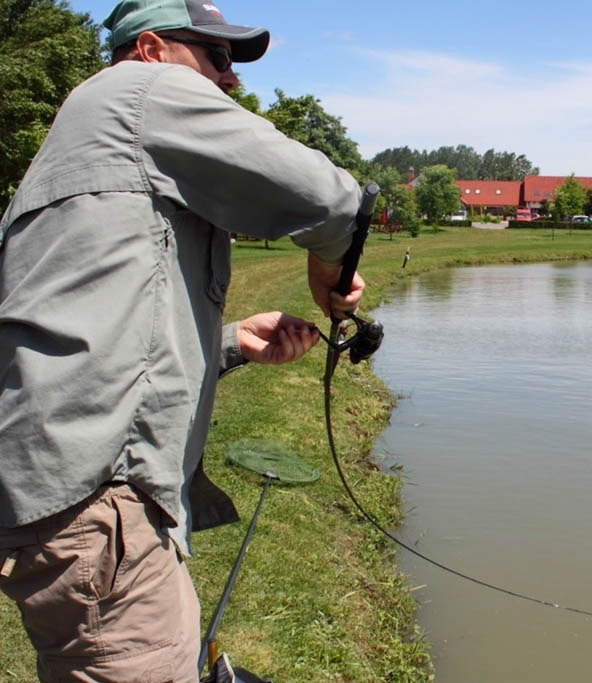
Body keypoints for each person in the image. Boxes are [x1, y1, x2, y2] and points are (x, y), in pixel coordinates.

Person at [0, 1, 367, 680]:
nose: (231, 81)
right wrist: (328, 268)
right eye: (217, 58)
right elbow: (331, 197)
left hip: (73, 499)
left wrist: (229, 342)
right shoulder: (138, 93)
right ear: (150, 49)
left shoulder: (93, 135)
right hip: (102, 504)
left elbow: (91, 321)